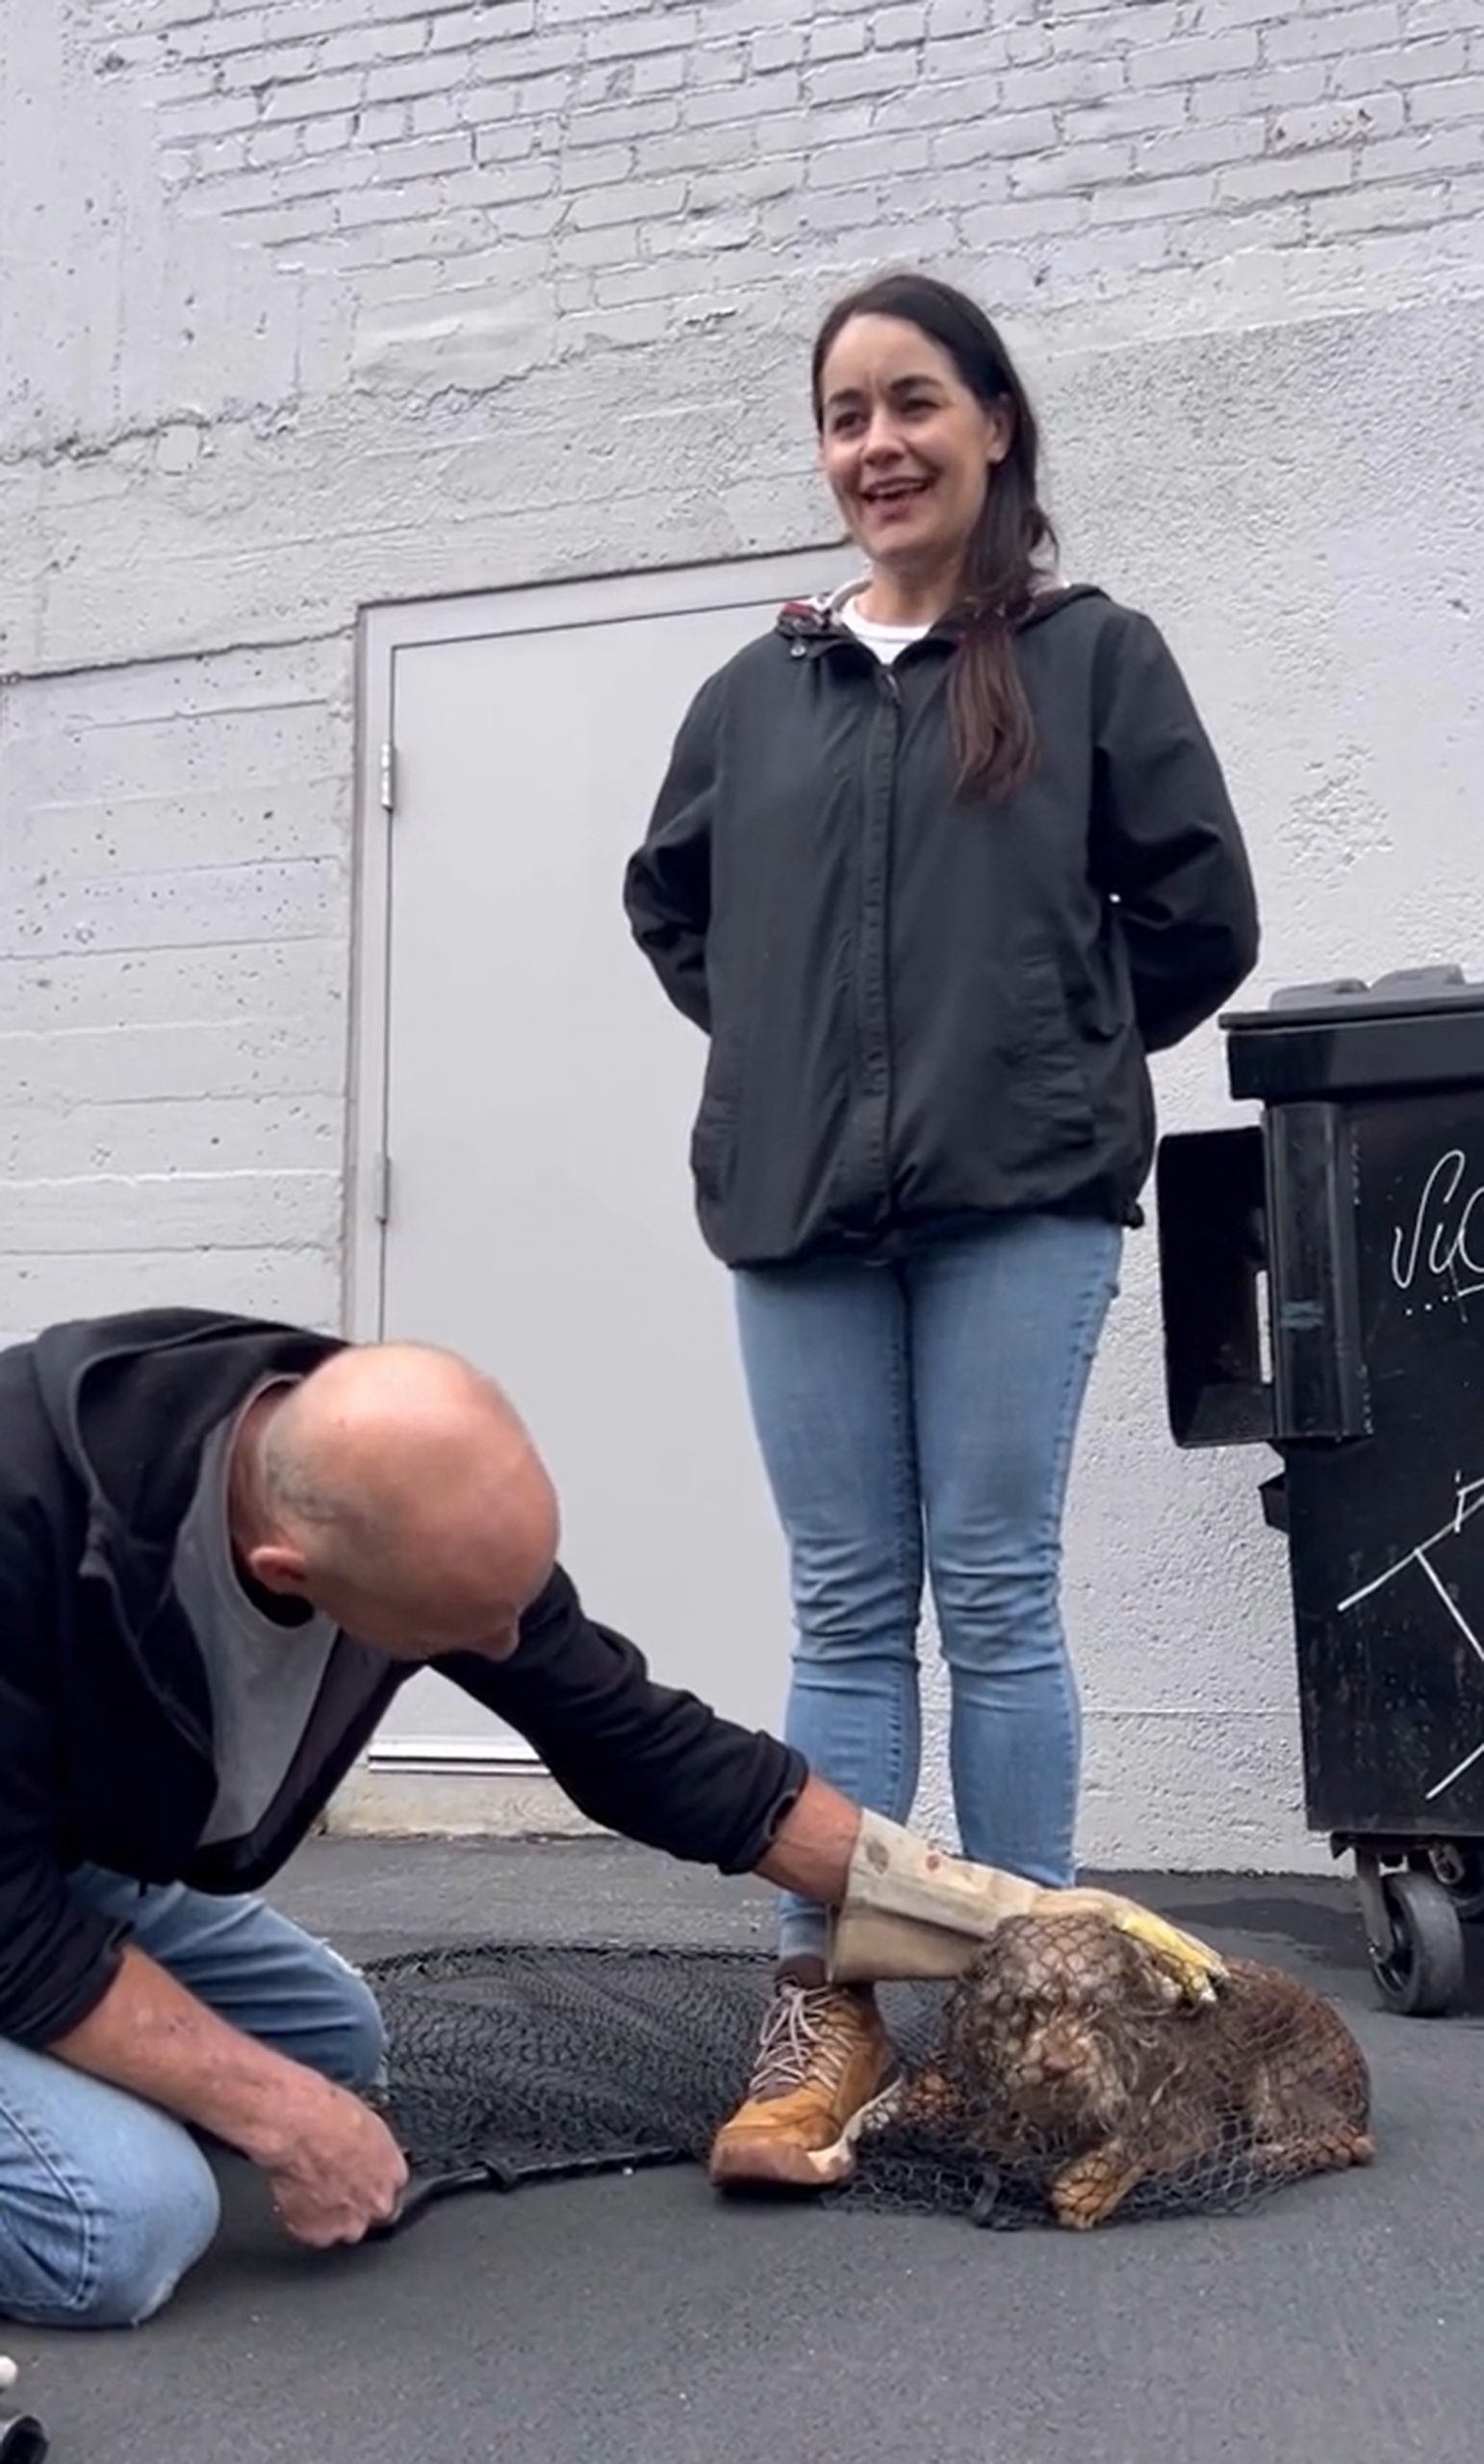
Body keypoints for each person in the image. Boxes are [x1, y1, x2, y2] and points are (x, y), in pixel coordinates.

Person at [0, 1303, 1221, 2328]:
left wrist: (997, 1912)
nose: (500, 1647)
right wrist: (271, 2114)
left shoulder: (365, 1466)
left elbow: (629, 1736)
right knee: (128, 2226)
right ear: (288, 1573)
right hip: (14, 1899)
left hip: (52, 1859)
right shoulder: (32, 1526)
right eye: (458, 1633)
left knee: (333, 2045)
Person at [623, 270, 1260, 2191]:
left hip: (1019, 1201)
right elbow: (677, 913)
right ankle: (833, 2008)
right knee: (840, 1603)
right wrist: (807, 1057)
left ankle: (1022, 2009)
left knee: (988, 1590)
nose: (877, 443)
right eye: (843, 415)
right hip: (801, 1205)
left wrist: (1045, 1054)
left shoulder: (1090, 656)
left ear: (993, 425)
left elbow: (1198, 911)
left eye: (913, 403)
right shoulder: (760, 691)